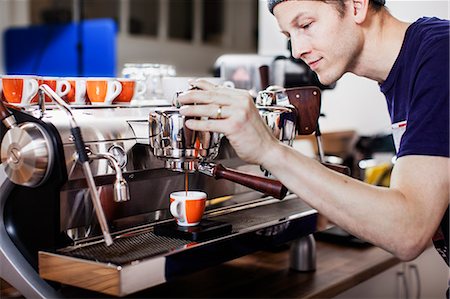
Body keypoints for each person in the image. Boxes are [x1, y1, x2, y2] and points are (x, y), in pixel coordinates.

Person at [177, 0, 449, 270]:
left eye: (306, 25)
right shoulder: (410, 68)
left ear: (356, 5)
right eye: (288, 35)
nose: (296, 51)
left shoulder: (441, 54)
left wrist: (269, 149)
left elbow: (408, 231)